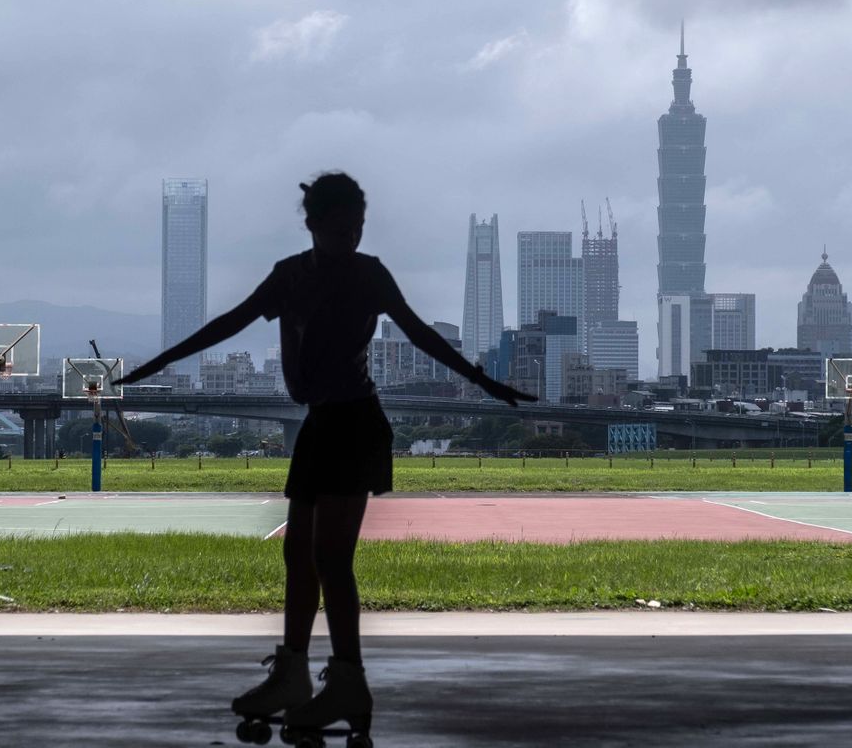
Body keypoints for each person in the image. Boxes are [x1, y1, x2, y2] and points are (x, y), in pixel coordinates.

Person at [112, 172, 535, 738]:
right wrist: (156, 366)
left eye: (356, 228)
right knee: (298, 556)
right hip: (320, 425)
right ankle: (293, 672)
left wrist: (487, 384)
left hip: (356, 424)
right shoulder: (290, 276)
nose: (349, 238)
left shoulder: (368, 274)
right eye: (339, 229)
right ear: (312, 225)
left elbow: (420, 335)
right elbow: (228, 323)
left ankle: (347, 680)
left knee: (331, 558)